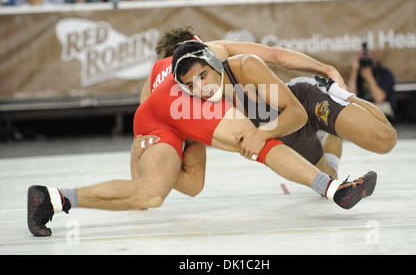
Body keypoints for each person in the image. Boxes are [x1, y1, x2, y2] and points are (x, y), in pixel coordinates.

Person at [27, 28, 387, 237]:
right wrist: (322, 66)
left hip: (157, 123)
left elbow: (144, 119)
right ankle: (333, 188)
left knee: (154, 194)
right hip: (175, 115)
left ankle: (52, 198)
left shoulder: (157, 73)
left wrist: (141, 169)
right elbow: (276, 54)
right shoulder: (211, 53)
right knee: (254, 139)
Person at [347, 43, 397, 119]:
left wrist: (369, 77)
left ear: (375, 56)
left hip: (381, 107)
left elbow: (379, 99)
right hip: (362, 106)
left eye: (369, 56)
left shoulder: (385, 73)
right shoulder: (357, 74)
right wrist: (354, 71)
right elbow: (350, 96)